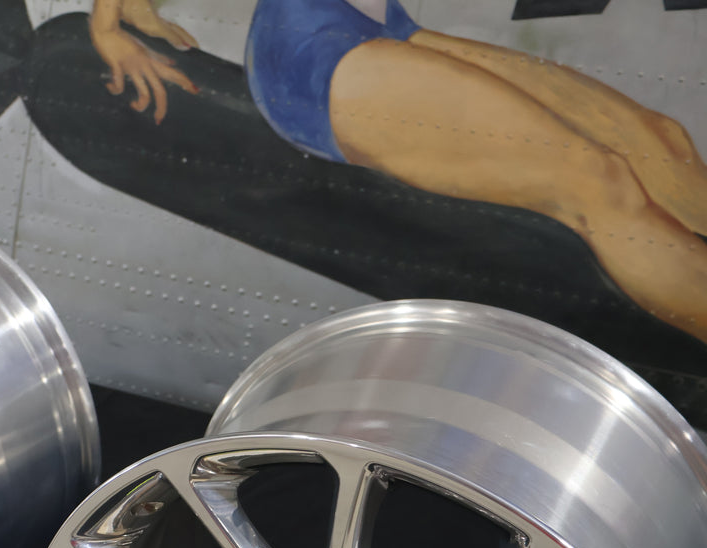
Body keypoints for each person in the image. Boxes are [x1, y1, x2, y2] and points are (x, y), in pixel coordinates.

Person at [88, 0, 707, 345]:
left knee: (659, 141)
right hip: (316, 60)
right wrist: (109, 27)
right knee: (598, 181)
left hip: (383, 27)